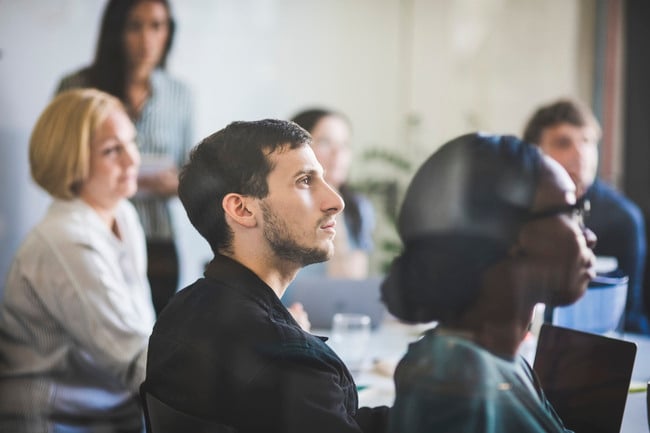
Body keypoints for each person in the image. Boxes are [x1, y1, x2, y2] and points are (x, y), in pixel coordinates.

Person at [143, 119, 388, 432]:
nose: (336, 201)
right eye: (304, 181)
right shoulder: (289, 361)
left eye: (323, 179)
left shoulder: (178, 312)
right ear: (242, 210)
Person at [381, 133, 597, 432]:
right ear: (509, 232)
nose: (589, 236)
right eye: (573, 212)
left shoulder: (502, 360)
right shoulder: (455, 383)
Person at [0, 89, 155, 432]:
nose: (133, 160)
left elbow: (141, 331)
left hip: (109, 409)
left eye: (131, 142)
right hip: (57, 420)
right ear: (71, 160)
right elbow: (132, 358)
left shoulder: (122, 214)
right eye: (112, 150)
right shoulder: (65, 239)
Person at [57, 0, 194, 315]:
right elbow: (58, 161)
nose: (147, 39)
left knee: (155, 329)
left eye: (157, 26)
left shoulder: (180, 95)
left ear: (168, 32)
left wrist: (173, 182)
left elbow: (192, 173)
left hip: (156, 236)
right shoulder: (77, 87)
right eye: (135, 26)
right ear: (116, 30)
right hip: (93, 229)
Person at [523, 98, 649, 334]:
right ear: (534, 153)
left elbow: (629, 314)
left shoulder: (622, 218)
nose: (580, 154)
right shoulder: (516, 209)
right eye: (563, 143)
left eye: (587, 141)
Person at [291, 108, 375, 279]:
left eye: (344, 145)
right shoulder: (281, 204)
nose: (338, 154)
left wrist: (336, 211)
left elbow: (351, 282)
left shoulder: (359, 208)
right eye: (325, 142)